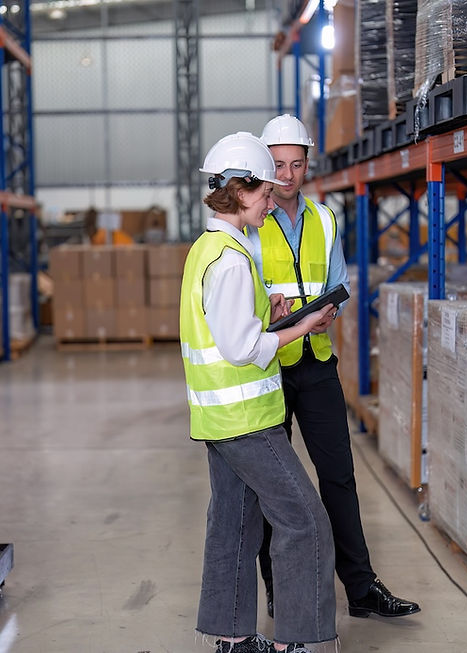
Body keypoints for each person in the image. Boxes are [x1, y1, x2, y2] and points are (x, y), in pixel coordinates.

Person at [250, 115, 420, 620]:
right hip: (270, 369)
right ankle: (279, 590)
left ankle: (362, 589)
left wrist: (329, 314)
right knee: (272, 487)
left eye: (296, 164)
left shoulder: (325, 219)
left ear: (307, 164)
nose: (286, 175)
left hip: (317, 361)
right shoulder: (252, 221)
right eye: (277, 165)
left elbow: (337, 280)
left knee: (340, 479)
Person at [181, 131, 338, 653]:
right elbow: (244, 348)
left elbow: (223, 330)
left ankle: (231, 636)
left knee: (235, 521)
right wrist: (303, 323)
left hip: (222, 419)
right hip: (245, 420)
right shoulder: (228, 258)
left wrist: (267, 316)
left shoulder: (211, 248)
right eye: (265, 192)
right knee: (306, 522)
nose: (273, 201)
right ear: (239, 190)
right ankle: (304, 641)